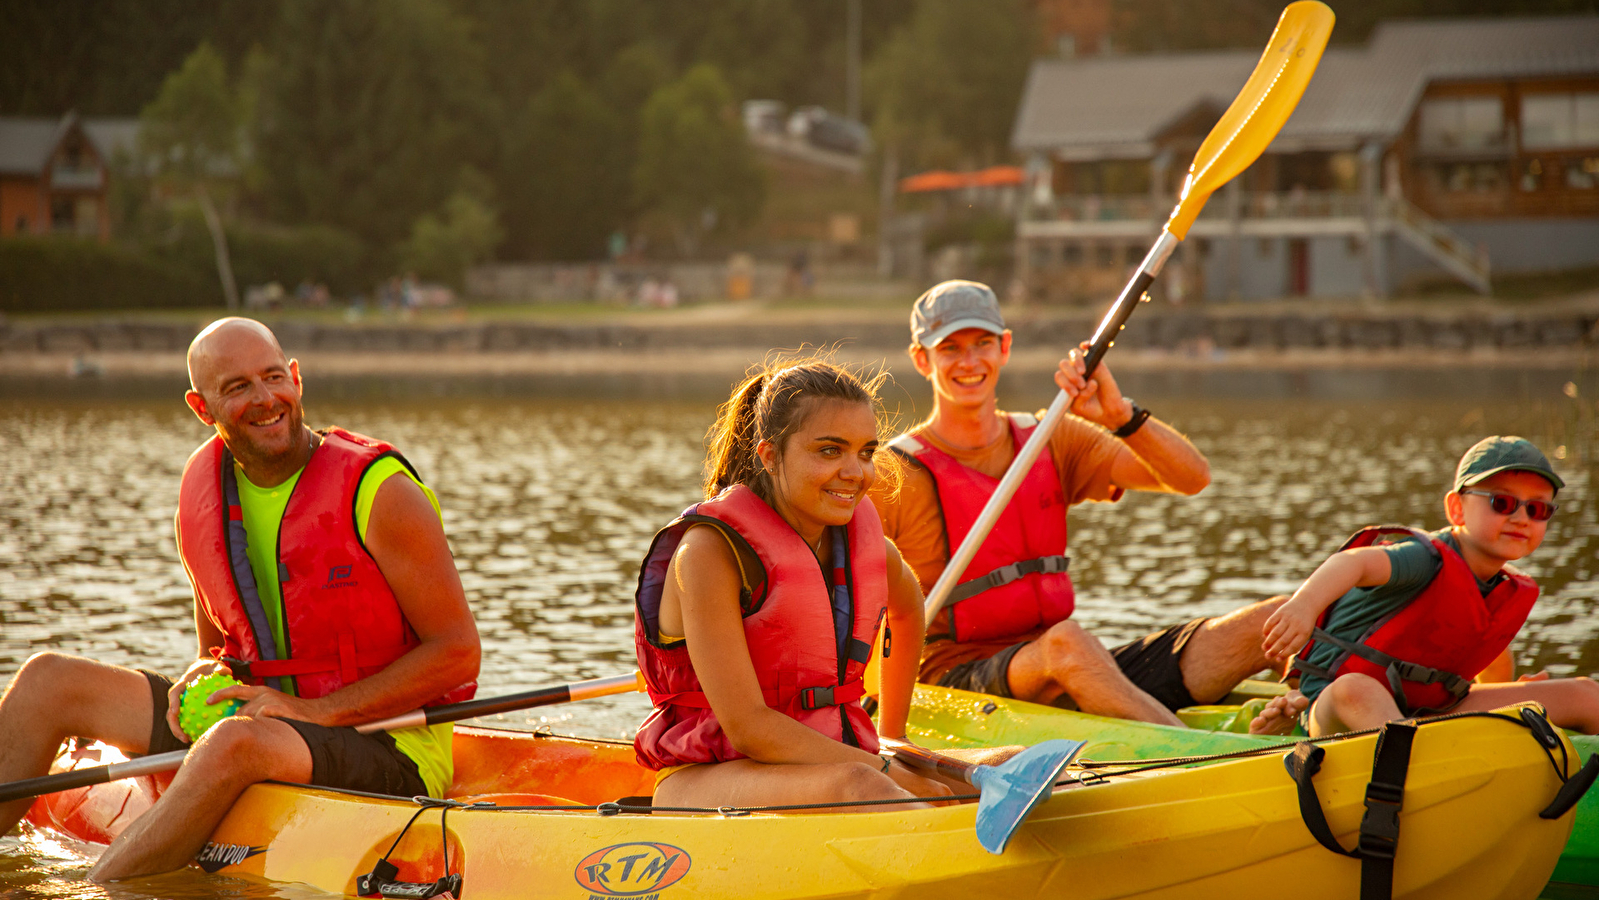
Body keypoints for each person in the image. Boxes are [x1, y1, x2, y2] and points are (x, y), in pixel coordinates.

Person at [0, 318, 481, 881]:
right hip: (260, 720)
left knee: (235, 741)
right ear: (202, 408)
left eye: (273, 377)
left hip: (386, 742)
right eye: (237, 387)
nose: (265, 399)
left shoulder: (382, 494)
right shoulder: (201, 492)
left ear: (296, 378)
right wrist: (200, 677)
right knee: (47, 680)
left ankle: (92, 892)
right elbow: (219, 650)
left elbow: (457, 652)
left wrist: (313, 712)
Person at [874, 280, 1284, 727]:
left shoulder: (1051, 437)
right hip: (953, 682)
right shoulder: (892, 473)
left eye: (982, 344)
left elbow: (1192, 478)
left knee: (1273, 619)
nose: (969, 362)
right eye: (950, 348)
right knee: (1067, 643)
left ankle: (1309, 715)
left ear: (1004, 347)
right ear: (922, 359)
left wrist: (1120, 416)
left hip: (1065, 661)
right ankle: (1197, 752)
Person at [634, 360, 956, 810]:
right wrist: (885, 770)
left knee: (1005, 767)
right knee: (866, 788)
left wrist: (892, 737)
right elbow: (749, 729)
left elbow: (908, 607)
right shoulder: (709, 553)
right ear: (769, 456)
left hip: (839, 762)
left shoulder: (865, 548)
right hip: (708, 778)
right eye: (830, 451)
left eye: (866, 452)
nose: (856, 472)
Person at [1251, 436, 1599, 737]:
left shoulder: (1499, 589)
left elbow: (1491, 663)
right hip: (1336, 707)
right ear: (1456, 509)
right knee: (1356, 689)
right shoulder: (1423, 559)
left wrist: (1509, 698)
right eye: (1502, 503)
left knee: (1585, 695)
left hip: (1428, 712)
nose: (1521, 518)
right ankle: (1418, 768)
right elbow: (1354, 562)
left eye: (1537, 509)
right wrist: (1304, 605)